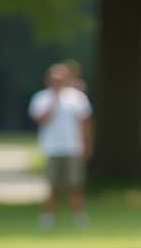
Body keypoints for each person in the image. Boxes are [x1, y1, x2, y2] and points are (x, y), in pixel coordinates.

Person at [28, 63, 94, 229]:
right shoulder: (41, 97)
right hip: (52, 147)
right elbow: (40, 119)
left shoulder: (77, 98)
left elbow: (85, 123)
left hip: (73, 147)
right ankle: (49, 216)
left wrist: (87, 145)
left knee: (75, 184)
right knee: (53, 185)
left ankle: (78, 216)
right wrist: (54, 100)